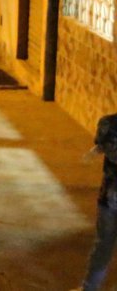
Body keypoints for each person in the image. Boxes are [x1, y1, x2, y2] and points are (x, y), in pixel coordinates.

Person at [80, 113, 117, 290]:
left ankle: (89, 287)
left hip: (109, 197)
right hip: (109, 197)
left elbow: (101, 147)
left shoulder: (108, 124)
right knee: (103, 245)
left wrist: (95, 151)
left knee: (103, 245)